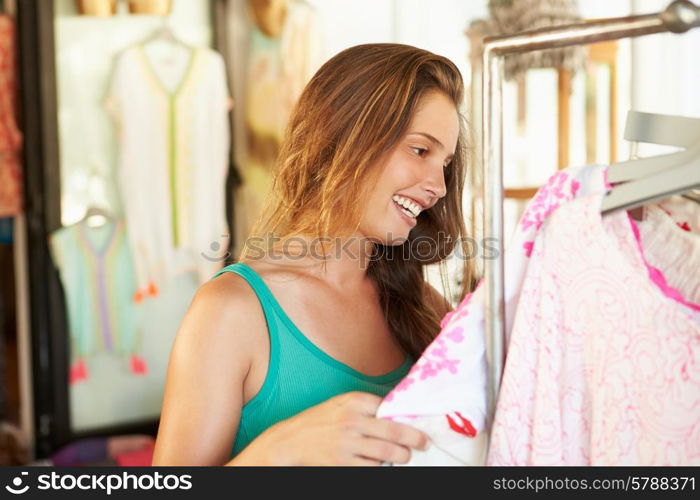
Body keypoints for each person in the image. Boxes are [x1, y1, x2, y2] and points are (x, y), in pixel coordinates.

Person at [152, 43, 475, 466]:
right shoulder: (231, 312)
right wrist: (277, 453)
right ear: (344, 137)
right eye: (420, 150)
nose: (439, 186)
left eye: (445, 163)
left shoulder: (425, 309)